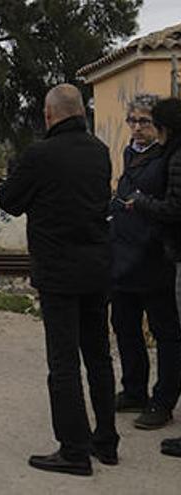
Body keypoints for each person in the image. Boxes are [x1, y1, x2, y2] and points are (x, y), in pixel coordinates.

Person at [0, 84, 117, 476]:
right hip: (98, 268)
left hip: (58, 272)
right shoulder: (100, 151)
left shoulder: (40, 155)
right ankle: (106, 440)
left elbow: (11, 202)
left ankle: (73, 450)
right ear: (81, 112)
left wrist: (13, 177)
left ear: (49, 115)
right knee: (98, 355)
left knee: (63, 362)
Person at [109, 94, 181, 431]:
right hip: (123, 258)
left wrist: (140, 205)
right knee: (125, 327)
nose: (137, 129)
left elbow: (169, 206)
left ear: (159, 126)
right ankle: (133, 389)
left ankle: (163, 401)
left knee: (165, 333)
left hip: (155, 258)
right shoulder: (129, 153)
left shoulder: (168, 157)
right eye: (133, 121)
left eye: (145, 122)